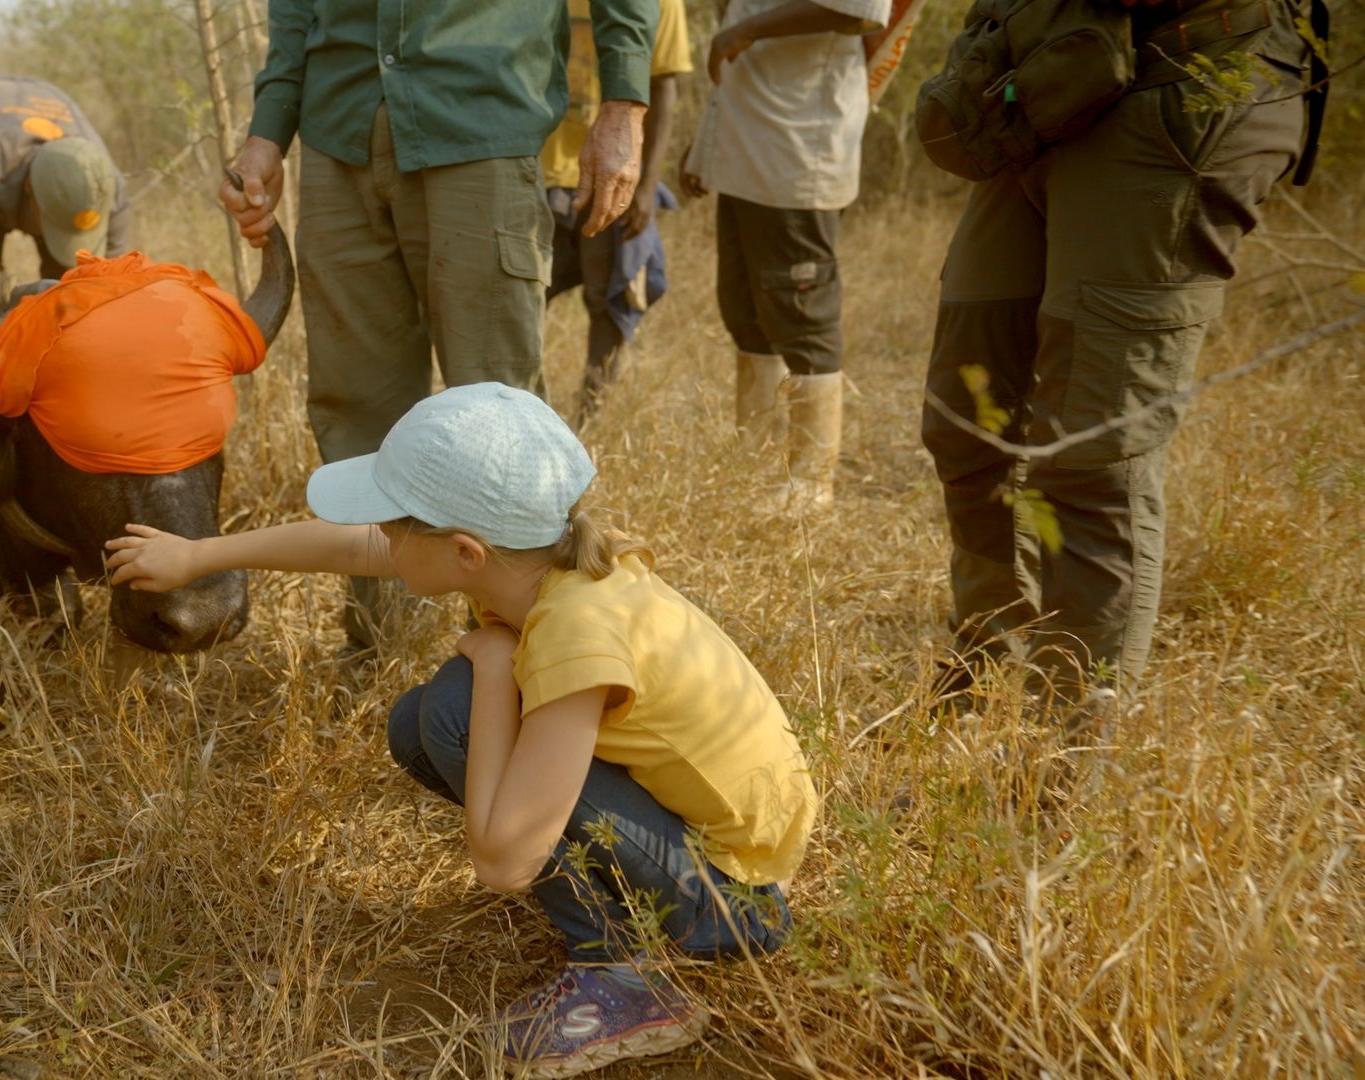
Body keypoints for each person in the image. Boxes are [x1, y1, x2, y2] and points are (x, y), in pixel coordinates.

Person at [105, 384, 818, 1077]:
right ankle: (612, 917)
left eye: (394, 521)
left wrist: (496, 669)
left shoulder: (574, 633)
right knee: (422, 723)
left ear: (466, 552)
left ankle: (625, 980)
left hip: (734, 903)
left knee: (452, 712)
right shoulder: (541, 558)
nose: (379, 536)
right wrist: (200, 555)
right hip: (703, 844)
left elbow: (502, 864)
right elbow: (358, 550)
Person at [918, 0, 1319, 713]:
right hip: (1048, 72)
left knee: (1092, 452)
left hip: (1189, 69)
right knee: (966, 414)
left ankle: (1058, 769)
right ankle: (982, 673)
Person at [221, 0, 660, 649]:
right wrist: (268, 132)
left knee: (500, 422)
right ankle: (378, 644)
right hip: (339, 129)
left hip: (477, 112)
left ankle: (533, 657)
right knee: (356, 409)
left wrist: (624, 102)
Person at [680, 0, 891, 509]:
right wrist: (706, 144)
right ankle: (754, 471)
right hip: (744, 148)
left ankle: (810, 487)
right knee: (747, 314)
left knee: (802, 319)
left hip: (797, 151)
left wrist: (748, 30)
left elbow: (862, 8)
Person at [543, 0, 694, 417]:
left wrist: (646, 185)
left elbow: (663, 83)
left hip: (611, 175)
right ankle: (524, 416)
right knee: (521, 302)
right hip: (538, 170)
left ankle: (590, 417)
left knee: (610, 300)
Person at [0, 74, 132, 284]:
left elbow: (105, 285)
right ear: (29, 189)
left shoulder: (111, 190)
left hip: (48, 92)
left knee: (72, 281)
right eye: (56, 224)